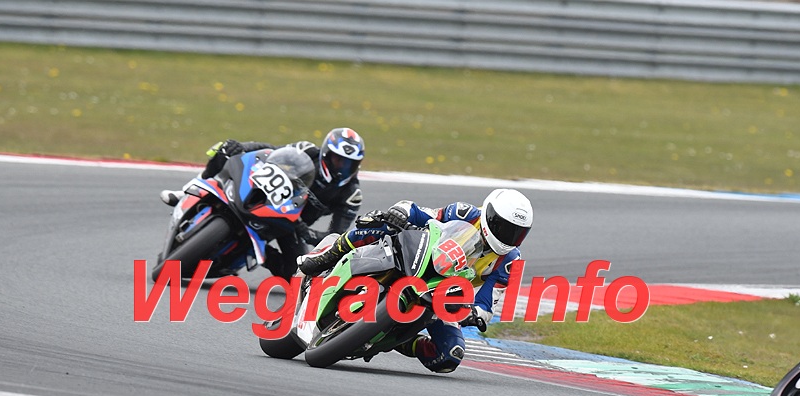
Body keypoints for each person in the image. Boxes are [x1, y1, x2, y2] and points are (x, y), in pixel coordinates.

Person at [298, 189, 533, 373]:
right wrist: (401, 212)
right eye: (505, 228)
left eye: (518, 232)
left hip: (442, 294)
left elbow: (487, 304)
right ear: (490, 216)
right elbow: (422, 212)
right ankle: (328, 254)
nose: (510, 237)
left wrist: (474, 314)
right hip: (420, 254)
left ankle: (399, 341)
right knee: (380, 223)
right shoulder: (465, 213)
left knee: (449, 355)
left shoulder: (509, 261)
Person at [160, 127, 366, 246]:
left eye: (350, 164)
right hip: (269, 197)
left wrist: (308, 233)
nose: (343, 168)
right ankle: (188, 191)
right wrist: (241, 147)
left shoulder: (351, 194)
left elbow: (335, 238)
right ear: (326, 154)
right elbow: (271, 151)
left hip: (293, 225)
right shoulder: (308, 150)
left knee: (292, 275)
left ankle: (264, 257)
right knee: (223, 150)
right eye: (339, 160)